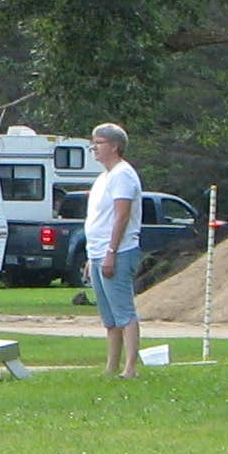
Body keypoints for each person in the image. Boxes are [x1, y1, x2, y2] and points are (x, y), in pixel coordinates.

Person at [85, 120, 144, 379]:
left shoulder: (123, 175)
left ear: (115, 146)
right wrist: (92, 256)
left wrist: (111, 251)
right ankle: (111, 366)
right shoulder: (102, 178)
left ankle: (130, 367)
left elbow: (121, 217)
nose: (94, 148)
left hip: (118, 251)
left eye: (99, 143)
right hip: (97, 251)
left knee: (123, 312)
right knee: (109, 318)